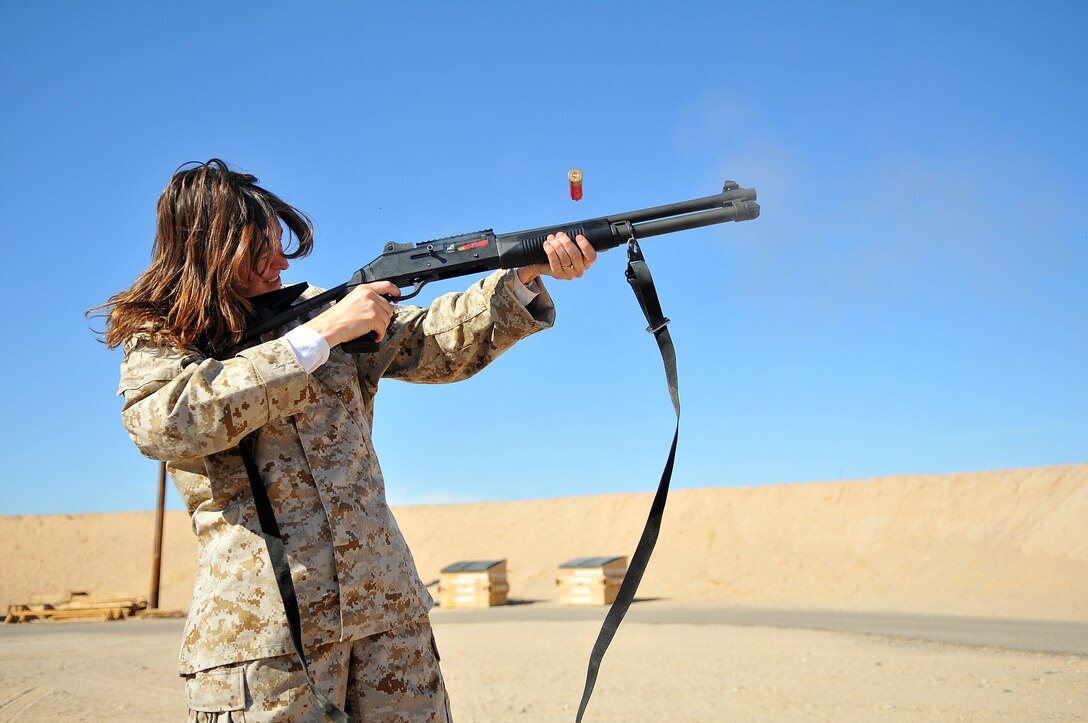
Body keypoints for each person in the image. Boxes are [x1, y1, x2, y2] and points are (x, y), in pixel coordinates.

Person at [93, 159, 598, 721]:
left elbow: (435, 342)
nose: (282, 262)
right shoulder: (166, 337)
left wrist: (521, 278)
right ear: (209, 248)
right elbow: (165, 421)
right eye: (261, 248)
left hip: (388, 617)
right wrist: (320, 337)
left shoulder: (320, 310)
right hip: (266, 639)